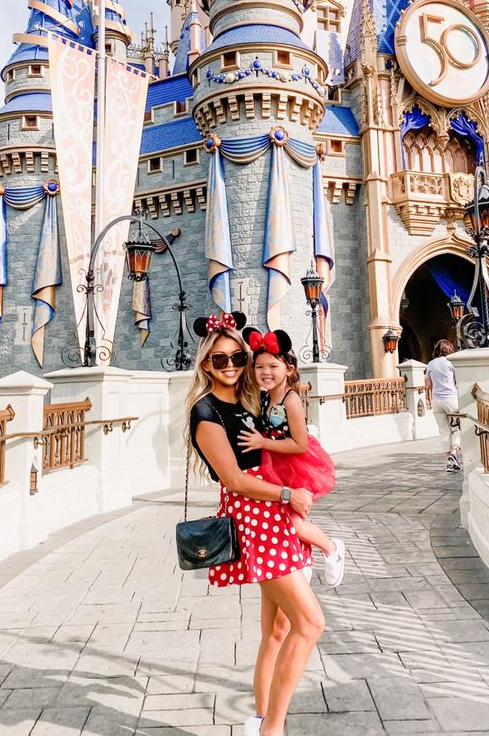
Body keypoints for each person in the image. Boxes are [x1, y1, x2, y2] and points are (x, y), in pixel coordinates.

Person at [186, 312, 325, 736]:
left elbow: (283, 394)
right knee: (310, 623)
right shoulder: (206, 412)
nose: (229, 366)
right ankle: (273, 727)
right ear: (205, 365)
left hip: (272, 511)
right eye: (219, 360)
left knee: (279, 628)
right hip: (253, 515)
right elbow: (233, 478)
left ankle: (261, 717)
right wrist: (288, 494)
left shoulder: (247, 398)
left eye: (236, 358)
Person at [237, 326, 345, 589]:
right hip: (274, 464)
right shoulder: (264, 397)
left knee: (290, 521)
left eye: (273, 366)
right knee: (288, 516)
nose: (265, 372)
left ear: (288, 369)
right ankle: (303, 559)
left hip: (294, 465)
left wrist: (263, 442)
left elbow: (300, 444)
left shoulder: (290, 400)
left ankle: (332, 549)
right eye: (259, 366)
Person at [425, 339, 461, 474]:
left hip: (437, 401)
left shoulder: (430, 364)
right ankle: (454, 452)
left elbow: (428, 385)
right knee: (457, 428)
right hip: (451, 400)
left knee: (444, 431)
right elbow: (458, 381)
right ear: (449, 349)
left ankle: (450, 462)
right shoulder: (451, 363)